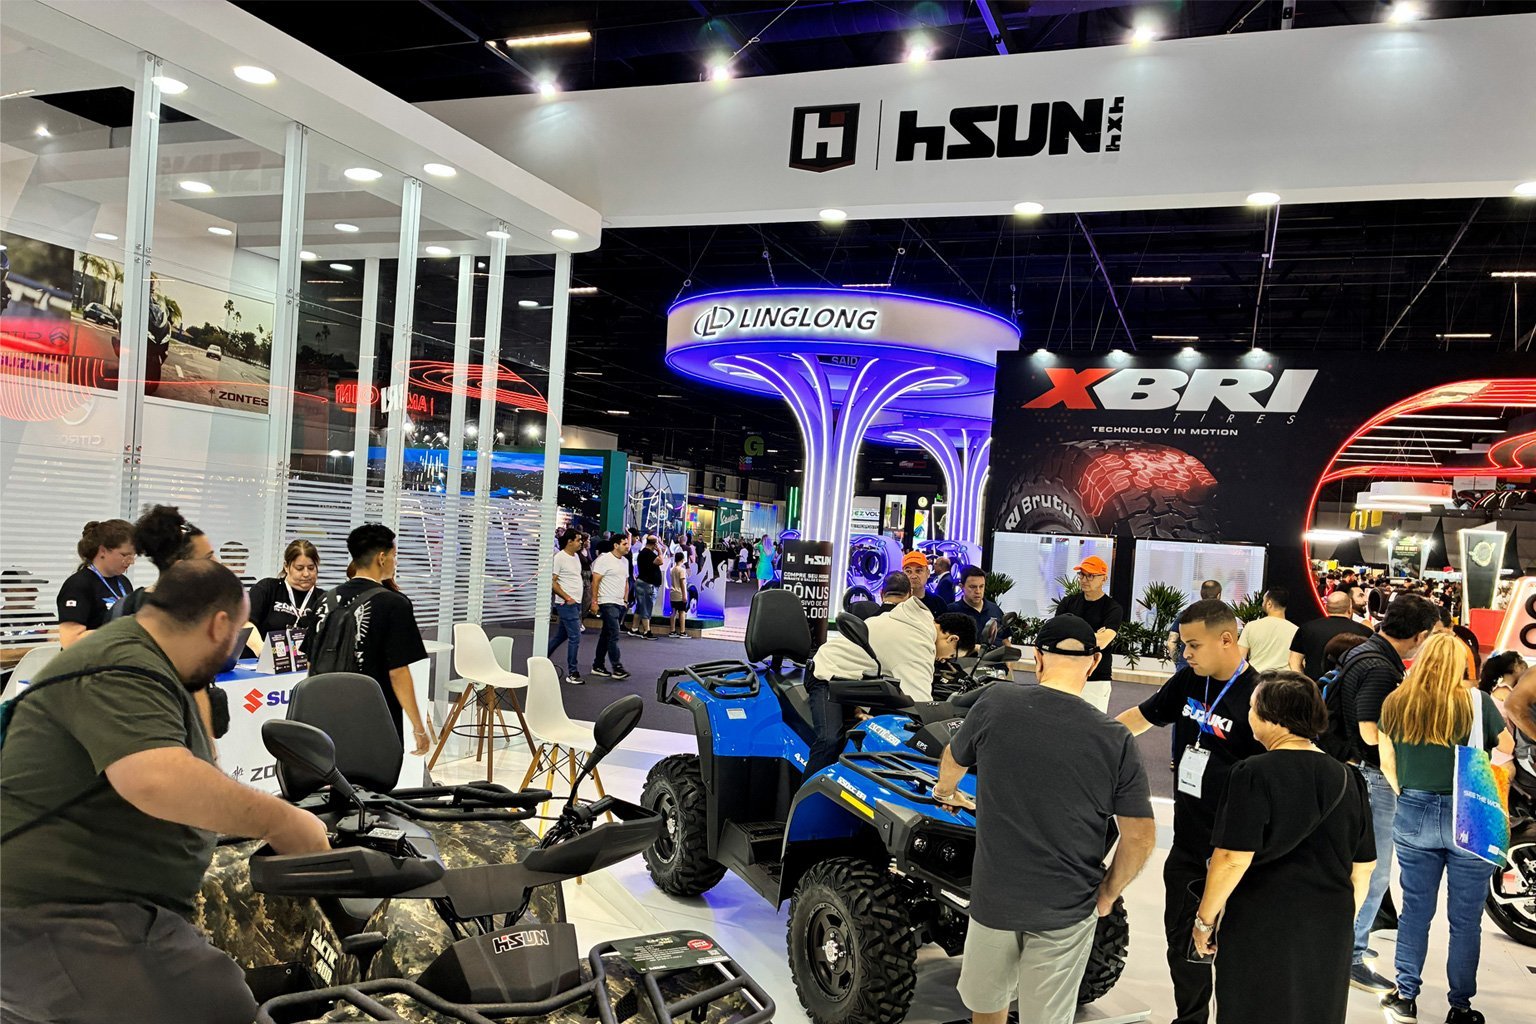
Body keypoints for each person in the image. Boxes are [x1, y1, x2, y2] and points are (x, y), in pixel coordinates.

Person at [0, 560, 330, 1024]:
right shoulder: (121, 664)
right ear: (219, 626)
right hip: (58, 917)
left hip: (80, 908)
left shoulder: (144, 658)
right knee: (222, 1004)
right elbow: (155, 778)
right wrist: (283, 821)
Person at [935, 615, 1156, 1024]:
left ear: (1037, 658)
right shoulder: (1115, 738)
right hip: (1067, 907)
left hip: (995, 897)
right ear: (1093, 663)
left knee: (987, 1009)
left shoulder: (996, 703)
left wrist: (945, 792)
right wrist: (1108, 894)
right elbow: (1140, 837)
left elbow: (953, 758)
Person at [1191, 671, 1376, 1024]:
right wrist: (1340, 921)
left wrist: (1204, 921)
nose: (1248, 714)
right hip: (1330, 923)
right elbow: (1363, 867)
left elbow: (1231, 859)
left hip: (1262, 921)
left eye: (1252, 707)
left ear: (1273, 716)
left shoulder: (1252, 773)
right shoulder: (1349, 778)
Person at [1115, 599, 1264, 1024]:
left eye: (1194, 645)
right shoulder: (1187, 681)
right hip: (1188, 841)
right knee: (1183, 947)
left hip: (1237, 851)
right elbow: (1142, 716)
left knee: (1232, 951)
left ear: (1226, 640)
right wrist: (1096, 740)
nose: (1185, 653)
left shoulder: (1258, 696)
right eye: (1184, 644)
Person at [1377, 634, 1513, 1024]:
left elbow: (1387, 761)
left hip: (1414, 809)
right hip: (1470, 811)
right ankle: (1461, 1006)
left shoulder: (1396, 702)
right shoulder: (1477, 703)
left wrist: (1406, 792)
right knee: (1466, 920)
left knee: (1415, 912)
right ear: (1460, 664)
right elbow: (1505, 747)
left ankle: (1406, 996)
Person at [1322, 593, 1439, 993]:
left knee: (1360, 867)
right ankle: (1351, 956)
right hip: (1372, 777)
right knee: (1373, 871)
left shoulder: (1364, 652)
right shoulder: (1380, 668)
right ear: (1420, 634)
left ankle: (1345, 944)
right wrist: (1396, 770)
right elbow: (1371, 730)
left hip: (1356, 773)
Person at [302, 524, 430, 754]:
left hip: (325, 714)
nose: (395, 562)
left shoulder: (324, 601)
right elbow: (398, 673)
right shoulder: (395, 604)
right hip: (374, 718)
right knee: (373, 776)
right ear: (382, 558)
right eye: (394, 556)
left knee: (332, 773)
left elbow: (312, 663)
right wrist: (418, 728)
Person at [813, 571, 937, 704]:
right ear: (910, 595)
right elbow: (919, 699)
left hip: (854, 677)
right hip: (828, 673)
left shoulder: (879, 619)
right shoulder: (908, 629)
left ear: (882, 593)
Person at [119, 505, 217, 618]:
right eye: (208, 558)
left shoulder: (123, 606)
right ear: (180, 567)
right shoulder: (196, 617)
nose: (216, 562)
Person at [1053, 555, 1123, 713]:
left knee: (1093, 725)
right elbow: (1055, 635)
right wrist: (1092, 635)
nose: (1084, 580)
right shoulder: (1068, 603)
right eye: (1082, 575)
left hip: (1096, 678)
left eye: (1090, 575)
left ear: (1103, 578)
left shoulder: (1112, 608)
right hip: (1065, 675)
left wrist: (1071, 635)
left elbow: (1102, 642)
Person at [55, 518, 136, 648]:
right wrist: (121, 633)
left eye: (133, 556)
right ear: (103, 551)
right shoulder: (78, 585)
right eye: (125, 555)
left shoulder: (123, 582)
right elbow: (70, 640)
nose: (131, 561)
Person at [247, 539, 325, 639]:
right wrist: (262, 648)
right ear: (286, 567)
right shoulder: (267, 588)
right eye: (299, 568)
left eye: (311, 568)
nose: (306, 574)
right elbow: (247, 625)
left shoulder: (324, 599)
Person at [1288, 590, 1372, 681]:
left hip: (1315, 685)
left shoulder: (1307, 628)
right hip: (1351, 686)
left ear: (1326, 607)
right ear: (1350, 608)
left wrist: (1305, 683)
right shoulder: (1365, 632)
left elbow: (1294, 661)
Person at [589, 533, 632, 680]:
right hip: (607, 602)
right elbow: (595, 581)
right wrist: (594, 602)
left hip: (619, 603)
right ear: (616, 545)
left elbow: (626, 582)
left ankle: (598, 665)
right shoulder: (604, 559)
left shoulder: (625, 561)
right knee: (614, 633)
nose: (627, 546)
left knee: (606, 635)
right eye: (624, 544)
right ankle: (617, 667)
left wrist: (625, 600)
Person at [548, 531, 586, 684]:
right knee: (575, 636)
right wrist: (567, 597)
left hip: (575, 603)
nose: (581, 542)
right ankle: (572, 673)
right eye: (578, 540)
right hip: (566, 604)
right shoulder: (559, 558)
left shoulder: (575, 556)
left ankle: (540, 659)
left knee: (561, 636)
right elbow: (553, 582)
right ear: (570, 541)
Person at [1236, 586, 1299, 673]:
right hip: (1284, 678)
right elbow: (1297, 663)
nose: (1262, 604)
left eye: (1263, 601)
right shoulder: (1296, 630)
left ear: (1269, 604)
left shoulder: (1251, 626)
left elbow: (1240, 659)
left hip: (1257, 677)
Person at [1166, 579, 1221, 668]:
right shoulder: (1223, 618)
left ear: (1201, 594)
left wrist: (1178, 662)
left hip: (1185, 666)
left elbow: (1171, 643)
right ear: (1218, 595)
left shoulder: (1185, 613)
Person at [948, 566, 1003, 643]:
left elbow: (1005, 640)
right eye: (973, 587)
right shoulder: (951, 612)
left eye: (981, 586)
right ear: (961, 587)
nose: (978, 591)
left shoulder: (995, 609)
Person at [630, 535, 662, 641]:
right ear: (655, 544)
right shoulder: (649, 554)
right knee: (646, 607)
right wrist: (660, 551)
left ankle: (634, 628)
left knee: (640, 606)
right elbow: (660, 561)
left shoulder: (643, 553)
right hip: (647, 584)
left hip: (642, 582)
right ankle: (647, 631)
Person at [903, 550, 948, 617]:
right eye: (908, 571)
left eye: (918, 571)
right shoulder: (898, 602)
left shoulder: (938, 604)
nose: (913, 576)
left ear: (928, 573)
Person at [668, 550, 690, 638]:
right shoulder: (682, 570)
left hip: (672, 593)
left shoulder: (672, 569)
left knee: (673, 612)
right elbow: (682, 583)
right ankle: (682, 631)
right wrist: (685, 595)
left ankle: (672, 631)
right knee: (682, 612)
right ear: (682, 559)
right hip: (680, 593)